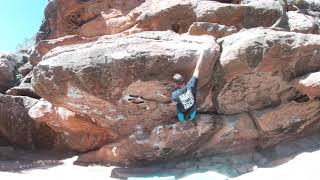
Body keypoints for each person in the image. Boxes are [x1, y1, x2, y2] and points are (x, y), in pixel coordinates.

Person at [171, 49, 206, 122]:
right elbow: (198, 68)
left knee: (181, 117)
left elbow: (173, 101)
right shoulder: (191, 85)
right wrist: (202, 53)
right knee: (191, 116)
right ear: (183, 80)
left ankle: (183, 121)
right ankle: (190, 120)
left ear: (176, 84)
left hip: (182, 114)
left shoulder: (175, 95)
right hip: (191, 113)